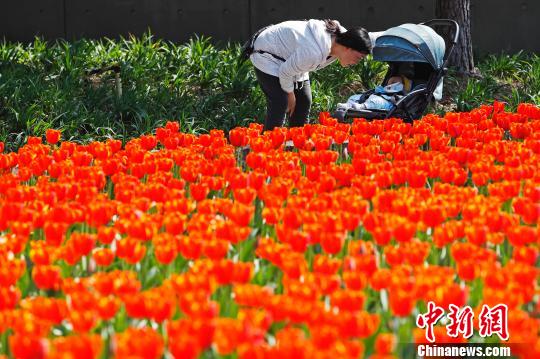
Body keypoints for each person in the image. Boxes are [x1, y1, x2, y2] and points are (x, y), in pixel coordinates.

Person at [243, 19, 374, 131]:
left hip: (291, 57)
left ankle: (295, 146)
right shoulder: (313, 52)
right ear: (349, 48)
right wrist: (290, 94)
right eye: (359, 58)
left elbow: (296, 65)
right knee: (281, 102)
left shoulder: (342, 40)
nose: (356, 62)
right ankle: (268, 147)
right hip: (267, 52)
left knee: (304, 100)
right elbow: (285, 71)